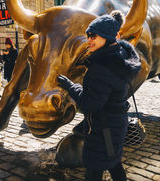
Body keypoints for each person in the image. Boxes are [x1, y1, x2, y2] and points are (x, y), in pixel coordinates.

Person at [56, 11, 141, 181]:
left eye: (94, 36)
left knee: (95, 170)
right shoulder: (119, 58)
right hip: (116, 123)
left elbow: (89, 104)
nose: (89, 40)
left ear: (107, 37)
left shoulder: (101, 67)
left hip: (103, 130)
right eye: (88, 36)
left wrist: (71, 86)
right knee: (113, 162)